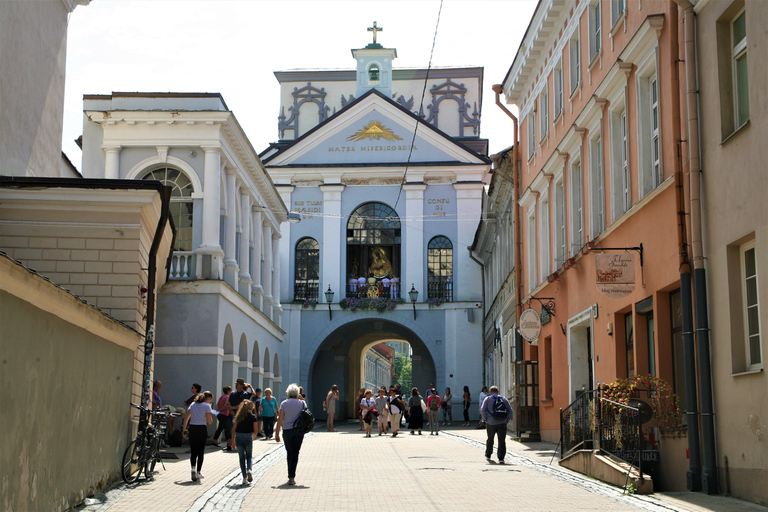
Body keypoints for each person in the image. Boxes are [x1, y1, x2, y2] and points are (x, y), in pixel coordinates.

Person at [275, 383, 306, 486]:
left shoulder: (284, 403)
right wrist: (301, 398)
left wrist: (277, 433)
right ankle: (292, 477)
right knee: (296, 453)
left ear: (288, 393)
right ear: (297, 393)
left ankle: (290, 475)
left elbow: (280, 419)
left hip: (287, 430)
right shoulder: (302, 403)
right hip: (298, 431)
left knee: (289, 453)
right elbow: (306, 414)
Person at [182, 391, 214, 482]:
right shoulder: (207, 406)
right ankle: (198, 472)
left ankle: (192, 468)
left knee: (193, 450)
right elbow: (210, 421)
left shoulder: (193, 404)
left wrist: (184, 430)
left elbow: (186, 418)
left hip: (192, 428)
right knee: (200, 451)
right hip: (202, 428)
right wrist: (210, 415)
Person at [480, 386, 513, 464]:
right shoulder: (504, 399)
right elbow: (510, 411)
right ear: (498, 392)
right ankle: (501, 458)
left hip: (491, 423)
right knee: (502, 440)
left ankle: (488, 454)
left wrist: (485, 420)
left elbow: (483, 410)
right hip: (502, 423)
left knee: (490, 438)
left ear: (490, 392)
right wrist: (507, 420)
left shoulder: (487, 399)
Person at [230, 400, 258, 485]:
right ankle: (249, 469)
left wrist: (232, 441)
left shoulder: (238, 416)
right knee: (249, 456)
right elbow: (256, 431)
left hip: (239, 436)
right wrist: (252, 438)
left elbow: (234, 429)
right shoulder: (253, 417)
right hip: (248, 436)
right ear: (251, 408)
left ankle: (244, 478)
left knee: (241, 458)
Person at [228, 379, 253, 450]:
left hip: (241, 414)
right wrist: (231, 409)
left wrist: (233, 408)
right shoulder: (233, 393)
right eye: (236, 384)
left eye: (238, 384)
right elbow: (229, 402)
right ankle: (230, 444)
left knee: (238, 429)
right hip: (232, 413)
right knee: (231, 429)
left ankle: (238, 444)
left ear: (241, 385)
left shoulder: (245, 394)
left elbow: (242, 405)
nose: (236, 385)